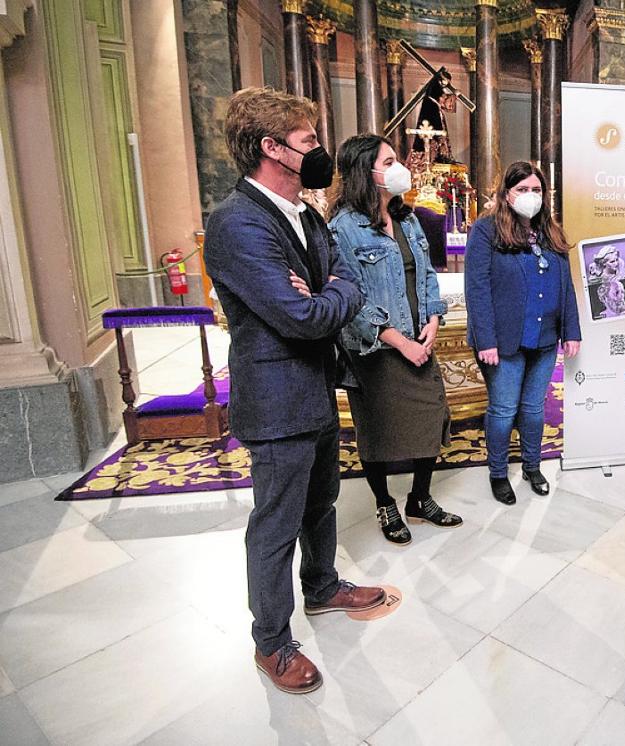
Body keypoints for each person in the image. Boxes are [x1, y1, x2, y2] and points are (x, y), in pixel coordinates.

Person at [204, 87, 385, 695]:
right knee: (276, 523)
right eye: (308, 142)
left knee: (322, 501)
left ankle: (323, 586)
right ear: (271, 149)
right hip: (277, 397)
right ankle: (272, 642)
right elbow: (298, 318)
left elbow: (349, 279)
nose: (319, 152)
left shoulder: (307, 213)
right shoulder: (235, 222)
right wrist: (325, 296)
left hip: (317, 385)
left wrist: (326, 290)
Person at [328, 134, 462, 545]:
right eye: (389, 161)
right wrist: (400, 342)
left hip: (420, 339)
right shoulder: (342, 228)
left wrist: (434, 320)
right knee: (378, 431)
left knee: (430, 418)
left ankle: (419, 498)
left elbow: (425, 274)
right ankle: (385, 503)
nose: (398, 166)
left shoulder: (409, 219)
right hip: (375, 348)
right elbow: (352, 298)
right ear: (364, 172)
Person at [465, 161, 582, 505]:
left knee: (533, 408)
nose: (531, 196)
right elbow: (477, 288)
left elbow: (567, 286)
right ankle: (498, 473)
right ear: (506, 194)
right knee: (503, 409)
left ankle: (533, 466)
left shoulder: (551, 234)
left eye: (536, 190)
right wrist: (485, 340)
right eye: (522, 190)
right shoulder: (486, 232)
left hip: (545, 339)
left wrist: (570, 330)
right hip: (504, 342)